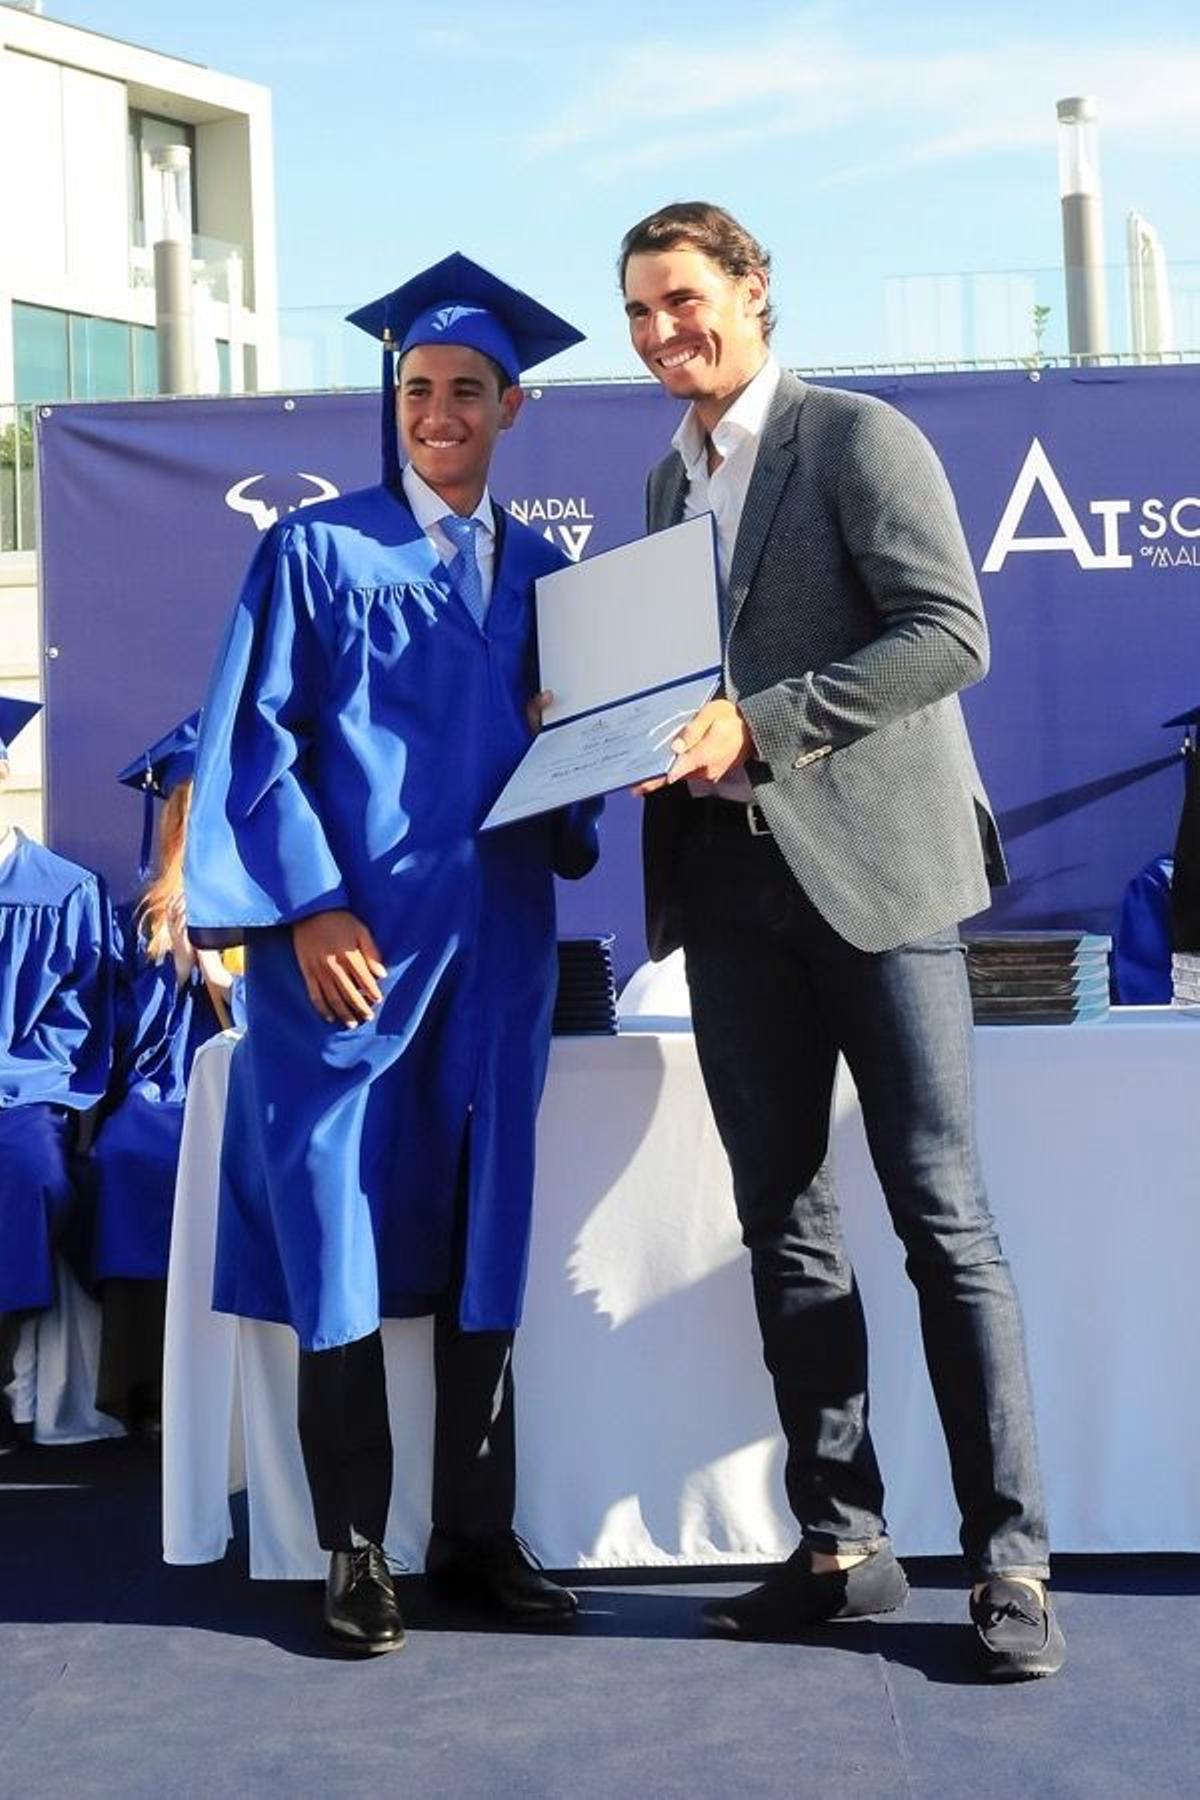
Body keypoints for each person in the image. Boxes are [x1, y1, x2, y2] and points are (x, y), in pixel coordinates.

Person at [618, 201, 1064, 1680]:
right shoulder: (660, 489)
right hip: (733, 895)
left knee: (944, 1221)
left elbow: (949, 634)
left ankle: (1011, 1561)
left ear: (752, 291)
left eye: (683, 300)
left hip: (882, 878)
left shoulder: (858, 439)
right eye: (639, 312)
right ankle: (844, 1545)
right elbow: (677, 683)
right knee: (787, 1226)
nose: (663, 332)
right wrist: (620, 730)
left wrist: (766, 722)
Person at [184, 255, 599, 1653]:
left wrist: (581, 745)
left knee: (493, 1228)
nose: (439, 411)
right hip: (348, 961)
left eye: (466, 391)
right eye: (417, 389)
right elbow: (256, 746)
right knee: (338, 1227)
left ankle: (483, 1534)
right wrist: (308, 905)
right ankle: (354, 1546)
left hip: (500, 946)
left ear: (510, 408)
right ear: (396, 401)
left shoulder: (553, 575)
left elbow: (572, 777)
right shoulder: (319, 549)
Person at [89, 713, 241, 1442]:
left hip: (239, 1081)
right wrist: (171, 964)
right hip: (161, 1087)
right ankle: (141, 1384)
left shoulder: (262, 908)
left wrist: (217, 972)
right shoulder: (135, 920)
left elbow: (265, 1023)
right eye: (187, 814)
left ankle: (229, 1377)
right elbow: (128, 1045)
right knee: (129, 1158)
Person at [0, 697, 114, 1450]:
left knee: (30, 1176)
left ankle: (3, 1370)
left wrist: (20, 1082)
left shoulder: (62, 891)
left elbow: (78, 1026)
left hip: (24, 1091)